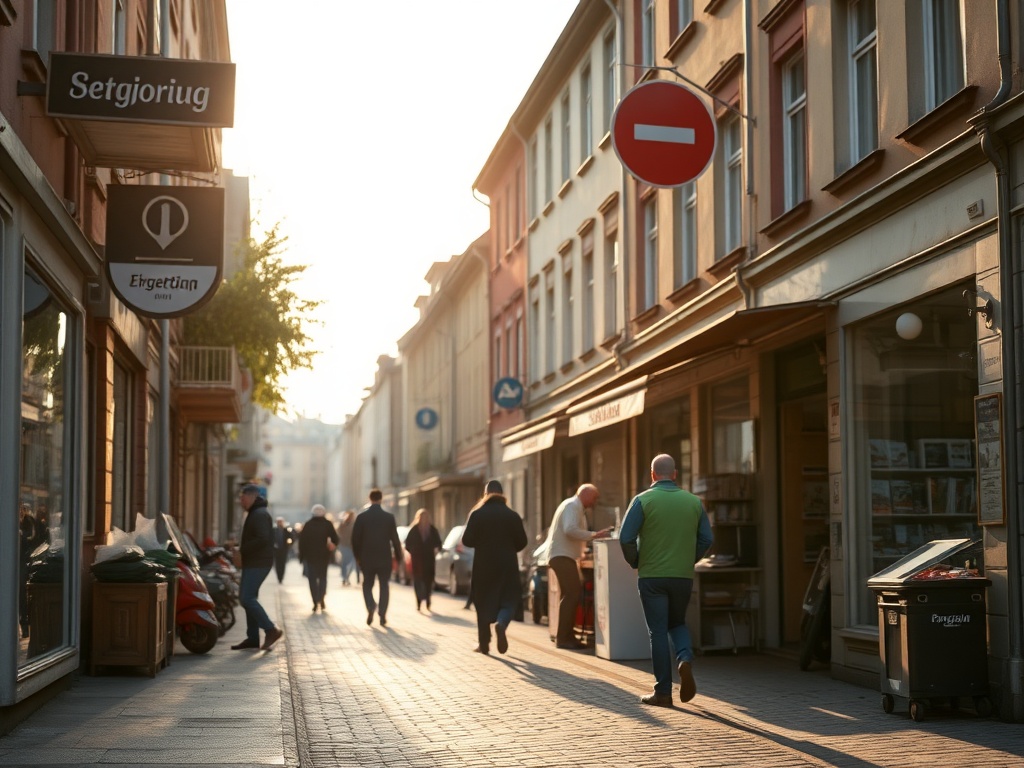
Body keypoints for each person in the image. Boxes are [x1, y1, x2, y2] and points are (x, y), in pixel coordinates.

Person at [619, 453, 713, 708]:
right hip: (681, 576)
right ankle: (684, 658)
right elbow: (707, 539)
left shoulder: (642, 500)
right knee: (677, 622)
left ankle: (663, 692)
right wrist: (688, 559)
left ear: (652, 475)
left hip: (652, 577)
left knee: (658, 631)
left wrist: (636, 561)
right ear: (675, 475)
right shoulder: (694, 502)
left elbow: (625, 537)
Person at [461, 479, 527, 655]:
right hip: (507, 565)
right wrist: (509, 547)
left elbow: (466, 540)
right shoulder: (513, 516)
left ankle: (484, 645)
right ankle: (502, 623)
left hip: (484, 566)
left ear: (485, 494)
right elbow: (522, 542)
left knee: (482, 603)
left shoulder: (477, 514)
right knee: (509, 598)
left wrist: (482, 542)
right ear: (502, 494)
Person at [544, 483, 611, 650]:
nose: (595, 501)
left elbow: (571, 530)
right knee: (573, 593)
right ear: (586, 494)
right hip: (562, 556)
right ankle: (564, 638)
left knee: (569, 594)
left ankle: (565, 636)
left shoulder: (573, 506)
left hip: (562, 556)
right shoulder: (572, 506)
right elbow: (570, 529)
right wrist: (593, 535)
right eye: (594, 497)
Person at [232, 484, 284, 651]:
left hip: (259, 562)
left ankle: (271, 629)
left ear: (252, 496)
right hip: (254, 561)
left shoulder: (259, 514)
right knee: (249, 598)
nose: (241, 501)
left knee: (246, 598)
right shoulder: (255, 512)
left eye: (243, 498)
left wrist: (242, 549)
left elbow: (262, 539)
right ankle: (253, 638)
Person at [351, 488, 403, 627]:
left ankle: (370, 606)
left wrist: (358, 556)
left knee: (367, 584)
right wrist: (399, 556)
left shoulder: (361, 518)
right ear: (381, 499)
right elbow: (395, 539)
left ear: (370, 498)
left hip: (366, 558)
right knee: (384, 586)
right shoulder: (389, 517)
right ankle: (382, 614)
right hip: (384, 557)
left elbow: (355, 540)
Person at [298, 504, 340, 613]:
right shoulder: (327, 524)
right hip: (323, 556)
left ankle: (315, 601)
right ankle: (321, 598)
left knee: (312, 579)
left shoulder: (308, 524)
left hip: (310, 556)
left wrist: (302, 557)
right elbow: (335, 538)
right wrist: (333, 545)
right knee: (322, 578)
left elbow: (302, 542)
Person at [404, 508, 442, 611]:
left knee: (428, 581)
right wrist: (413, 552)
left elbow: (439, 543)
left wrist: (436, 549)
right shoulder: (414, 530)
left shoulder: (432, 530)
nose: (424, 519)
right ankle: (419, 602)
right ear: (418, 518)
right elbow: (407, 544)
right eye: (422, 517)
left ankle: (428, 599)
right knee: (418, 581)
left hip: (429, 560)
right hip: (417, 561)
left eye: (426, 517)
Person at [336, 509, 359, 586]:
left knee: (351, 563)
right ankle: (344, 577)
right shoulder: (343, 524)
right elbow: (338, 532)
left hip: (352, 546)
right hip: (344, 545)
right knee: (345, 562)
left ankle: (346, 577)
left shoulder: (355, 524)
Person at [272, 516, 294, 584]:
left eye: (281, 522)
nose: (280, 523)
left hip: (284, 549)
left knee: (282, 563)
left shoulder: (286, 531)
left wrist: (288, 543)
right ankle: (279, 576)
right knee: (277, 564)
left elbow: (291, 538)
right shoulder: (273, 531)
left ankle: (281, 577)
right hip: (276, 550)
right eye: (278, 522)